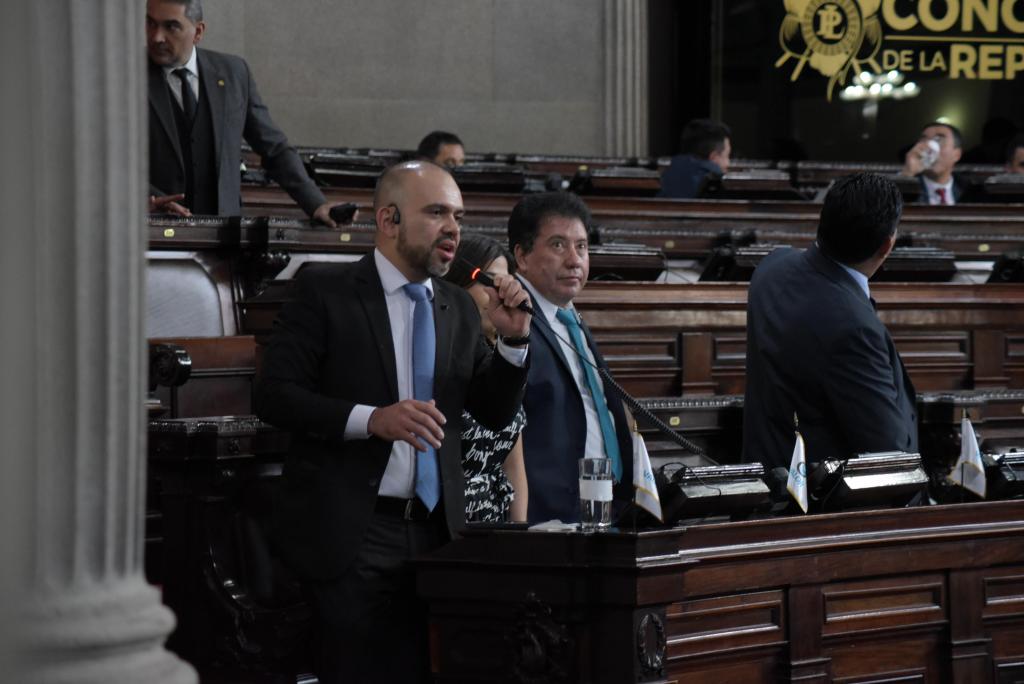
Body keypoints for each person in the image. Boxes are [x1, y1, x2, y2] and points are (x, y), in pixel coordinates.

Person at [255, 160, 531, 683]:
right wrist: (370, 419)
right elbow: (274, 396)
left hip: (439, 532)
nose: (454, 228)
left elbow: (492, 411)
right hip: (354, 533)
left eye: (459, 216)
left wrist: (515, 342)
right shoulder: (326, 291)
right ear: (388, 220)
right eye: (436, 213)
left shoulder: (456, 306)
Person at [742, 173, 918, 470]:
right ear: (887, 246)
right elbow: (888, 451)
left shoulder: (772, 266)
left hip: (770, 477)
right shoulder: (855, 328)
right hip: (827, 501)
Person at [145, 0, 345, 225]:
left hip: (222, 238)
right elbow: (103, 158)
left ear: (198, 32)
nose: (156, 37)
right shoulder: (125, 76)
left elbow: (274, 148)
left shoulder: (234, 74)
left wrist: (316, 203)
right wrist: (148, 199)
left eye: (171, 27)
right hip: (152, 234)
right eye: (150, 23)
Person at [508, 192, 633, 524]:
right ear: (521, 255)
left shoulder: (568, 317)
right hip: (546, 517)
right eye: (559, 245)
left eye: (582, 247)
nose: (575, 260)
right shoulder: (511, 322)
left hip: (598, 507)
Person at [443, 235, 529, 522]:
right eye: (490, 283)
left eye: (506, 284)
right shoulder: (438, 349)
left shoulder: (505, 361)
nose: (500, 294)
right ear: (456, 284)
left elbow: (514, 465)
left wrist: (519, 535)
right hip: (448, 520)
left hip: (496, 524)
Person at [657, 119, 732, 199]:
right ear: (713, 157)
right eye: (727, 156)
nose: (728, 163)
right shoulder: (715, 184)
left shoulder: (666, 175)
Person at [900, 121, 965, 205]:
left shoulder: (968, 192)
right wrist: (907, 173)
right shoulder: (908, 189)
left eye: (939, 140)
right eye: (924, 140)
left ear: (957, 155)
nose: (929, 148)